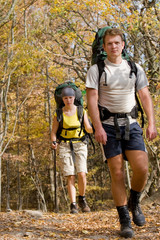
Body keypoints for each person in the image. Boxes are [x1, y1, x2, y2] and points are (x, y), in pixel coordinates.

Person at [86, 28, 157, 238]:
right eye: (109, 44)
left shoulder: (135, 68)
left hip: (132, 123)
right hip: (108, 125)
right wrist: (97, 127)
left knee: (142, 168)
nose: (113, 47)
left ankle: (135, 201)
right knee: (116, 172)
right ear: (104, 46)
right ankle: (124, 220)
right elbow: (91, 100)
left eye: (117, 43)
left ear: (123, 45)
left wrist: (151, 122)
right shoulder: (96, 70)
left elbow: (145, 96)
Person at [51, 86, 93, 214]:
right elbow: (53, 132)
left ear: (74, 98)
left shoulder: (81, 111)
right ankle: (73, 204)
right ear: (62, 99)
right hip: (64, 144)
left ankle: (82, 198)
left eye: (70, 97)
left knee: (82, 173)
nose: (68, 100)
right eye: (65, 98)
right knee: (70, 175)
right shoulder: (58, 113)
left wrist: (96, 126)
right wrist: (53, 142)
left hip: (80, 143)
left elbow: (88, 128)